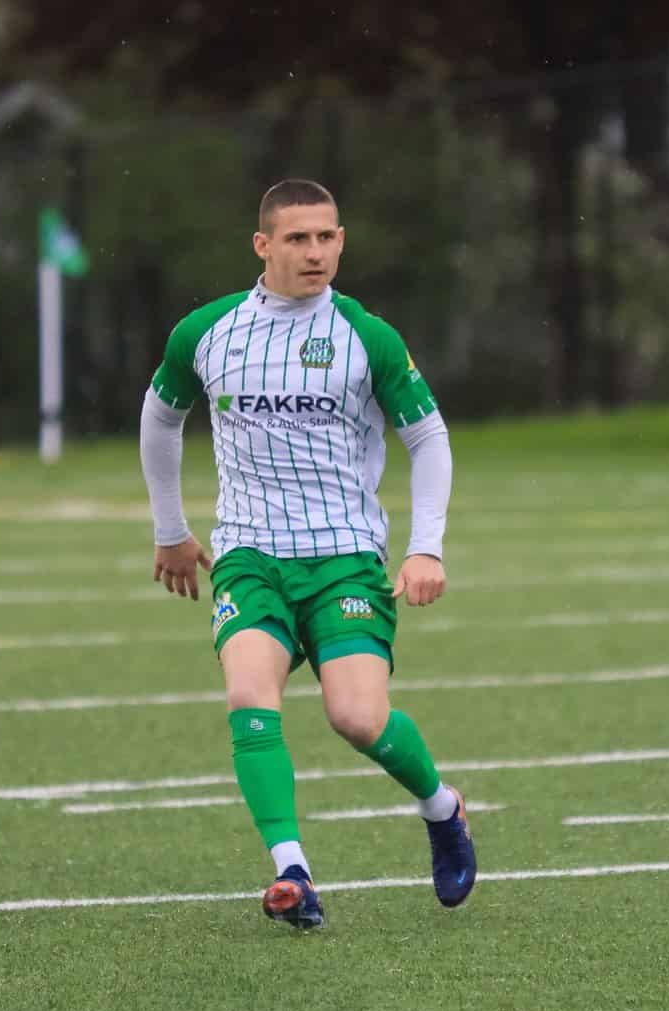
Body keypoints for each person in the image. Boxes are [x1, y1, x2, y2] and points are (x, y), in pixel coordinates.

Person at [139, 178, 476, 930]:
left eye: (327, 237)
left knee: (356, 718)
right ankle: (293, 872)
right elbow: (160, 418)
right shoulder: (207, 332)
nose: (315, 251)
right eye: (298, 238)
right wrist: (170, 529)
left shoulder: (368, 336)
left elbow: (428, 436)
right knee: (248, 698)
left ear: (341, 241)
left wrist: (426, 548)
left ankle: (442, 808)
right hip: (249, 556)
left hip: (344, 558)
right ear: (263, 245)